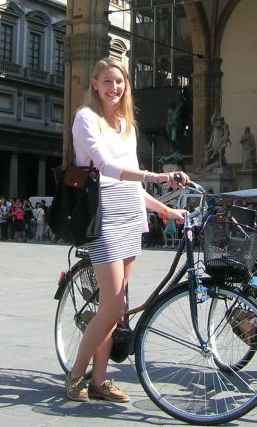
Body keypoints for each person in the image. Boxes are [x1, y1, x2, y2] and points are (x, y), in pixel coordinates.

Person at [65, 58, 188, 403]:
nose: (114, 88)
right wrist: (157, 176)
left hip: (131, 216)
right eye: (107, 81)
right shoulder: (85, 118)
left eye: (119, 82)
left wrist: (165, 209)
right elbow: (105, 166)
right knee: (113, 306)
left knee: (113, 308)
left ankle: (100, 381)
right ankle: (76, 375)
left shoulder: (126, 124)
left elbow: (133, 185)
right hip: (101, 215)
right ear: (94, 83)